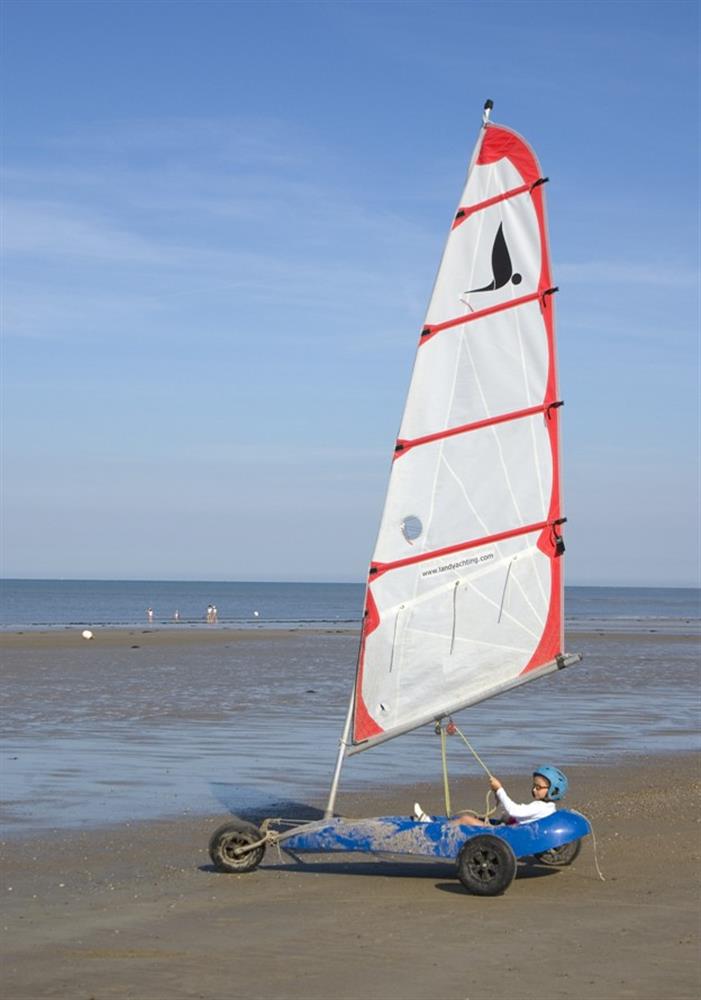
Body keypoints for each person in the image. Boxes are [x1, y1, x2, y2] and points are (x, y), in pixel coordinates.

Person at [413, 765, 568, 825]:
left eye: (538, 787)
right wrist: (499, 798)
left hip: (505, 837)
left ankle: (430, 827)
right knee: (505, 817)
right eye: (534, 786)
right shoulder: (548, 807)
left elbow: (515, 810)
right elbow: (517, 811)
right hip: (510, 829)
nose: (534, 790)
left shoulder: (540, 807)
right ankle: (442, 824)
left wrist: (500, 789)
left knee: (466, 818)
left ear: (552, 791)